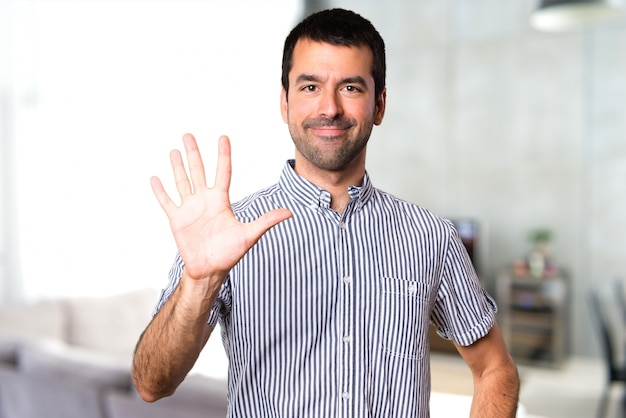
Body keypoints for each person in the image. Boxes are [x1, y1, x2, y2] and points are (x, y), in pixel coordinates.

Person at [132, 8, 520, 417]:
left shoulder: (430, 236)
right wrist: (200, 281)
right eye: (310, 86)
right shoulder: (228, 232)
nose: (330, 107)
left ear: (380, 104)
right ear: (284, 103)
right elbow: (152, 383)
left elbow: (496, 369)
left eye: (350, 87)